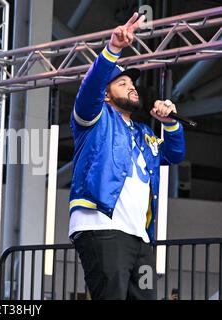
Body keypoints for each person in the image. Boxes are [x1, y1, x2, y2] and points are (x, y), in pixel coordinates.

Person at [68, 12, 185, 300]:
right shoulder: (93, 118)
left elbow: (174, 153)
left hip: (141, 237)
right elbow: (90, 88)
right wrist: (114, 48)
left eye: (132, 84)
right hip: (102, 225)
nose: (131, 86)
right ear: (105, 95)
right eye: (122, 83)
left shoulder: (144, 132)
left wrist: (169, 123)